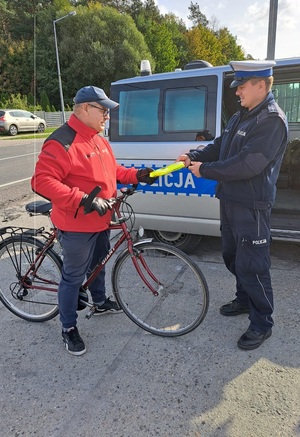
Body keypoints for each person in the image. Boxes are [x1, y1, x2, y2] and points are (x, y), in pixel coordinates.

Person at [31, 86, 157, 356]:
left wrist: (139, 175)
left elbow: (112, 171)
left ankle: (99, 302)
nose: (108, 116)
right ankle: (68, 329)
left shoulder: (98, 139)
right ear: (85, 108)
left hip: (102, 219)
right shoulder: (61, 141)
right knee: (73, 277)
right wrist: (84, 199)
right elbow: (41, 181)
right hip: (76, 224)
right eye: (104, 110)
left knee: (99, 263)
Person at [176, 61, 288, 350]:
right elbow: (219, 146)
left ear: (261, 85)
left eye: (242, 86)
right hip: (230, 200)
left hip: (252, 205)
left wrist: (206, 170)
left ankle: (262, 322)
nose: (237, 92)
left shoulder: (271, 120)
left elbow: (248, 164)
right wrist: (194, 154)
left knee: (253, 264)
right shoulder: (242, 116)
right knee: (232, 256)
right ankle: (244, 299)